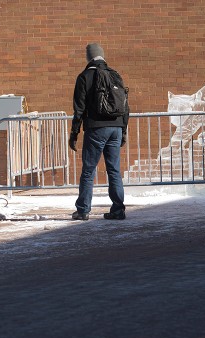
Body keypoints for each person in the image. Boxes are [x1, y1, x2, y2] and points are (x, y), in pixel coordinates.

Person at [69, 43, 129, 220]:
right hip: (116, 128)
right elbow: (125, 106)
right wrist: (123, 130)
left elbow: (79, 109)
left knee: (89, 170)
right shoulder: (115, 75)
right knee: (114, 170)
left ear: (89, 57)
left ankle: (83, 210)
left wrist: (74, 134)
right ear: (102, 56)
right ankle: (118, 209)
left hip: (96, 128)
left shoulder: (84, 77)